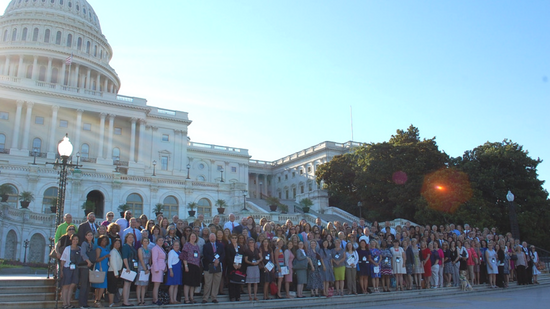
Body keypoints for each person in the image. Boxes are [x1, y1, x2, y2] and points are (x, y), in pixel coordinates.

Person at [60, 234, 81, 309]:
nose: (75, 241)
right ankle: (64, 303)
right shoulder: (67, 248)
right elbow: (63, 260)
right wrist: (61, 271)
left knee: (72, 286)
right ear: (71, 240)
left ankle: (68, 303)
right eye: (74, 239)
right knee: (66, 285)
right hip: (67, 268)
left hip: (75, 269)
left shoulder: (79, 249)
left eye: (76, 239)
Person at [202, 233, 224, 304]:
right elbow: (205, 255)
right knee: (208, 283)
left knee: (216, 282)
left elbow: (223, 254)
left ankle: (214, 297)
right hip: (209, 266)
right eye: (211, 237)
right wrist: (213, 260)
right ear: (209, 238)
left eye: (213, 237)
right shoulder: (206, 246)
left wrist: (218, 260)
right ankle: (205, 298)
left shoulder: (220, 245)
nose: (212, 238)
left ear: (215, 237)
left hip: (218, 266)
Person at [181, 232, 201, 304]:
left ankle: (191, 297)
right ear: (189, 237)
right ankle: (186, 298)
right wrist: (186, 266)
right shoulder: (187, 245)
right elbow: (184, 256)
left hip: (196, 266)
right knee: (187, 283)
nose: (193, 238)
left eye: (194, 236)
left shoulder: (197, 246)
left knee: (193, 283)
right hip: (189, 265)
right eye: (192, 236)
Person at [92, 235, 110, 307]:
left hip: (105, 267)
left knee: (101, 285)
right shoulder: (98, 249)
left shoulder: (106, 248)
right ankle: (98, 300)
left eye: (105, 240)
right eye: (103, 240)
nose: (104, 242)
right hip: (100, 267)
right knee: (100, 285)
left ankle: (97, 300)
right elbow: (97, 259)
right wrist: (105, 256)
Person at [78, 231, 94, 308]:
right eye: (88, 235)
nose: (90, 236)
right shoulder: (84, 244)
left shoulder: (92, 244)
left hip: (90, 266)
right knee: (84, 285)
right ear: (85, 236)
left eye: (91, 235)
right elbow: (83, 253)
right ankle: (81, 303)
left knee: (88, 285)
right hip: (84, 266)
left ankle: (85, 302)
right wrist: (88, 261)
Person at [121, 233, 137, 306]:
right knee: (126, 284)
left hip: (133, 267)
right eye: (129, 237)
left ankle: (127, 300)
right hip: (128, 267)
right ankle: (125, 301)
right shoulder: (125, 246)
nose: (131, 239)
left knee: (129, 284)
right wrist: (127, 267)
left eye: (132, 237)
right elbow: (125, 258)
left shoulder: (132, 247)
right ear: (126, 238)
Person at [226, 233, 243, 301]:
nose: (234, 239)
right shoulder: (228, 246)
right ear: (231, 239)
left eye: (235, 238)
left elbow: (242, 255)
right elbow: (228, 256)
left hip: (239, 266)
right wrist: (233, 264)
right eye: (233, 238)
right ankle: (232, 296)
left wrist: (240, 264)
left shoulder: (240, 246)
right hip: (231, 266)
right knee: (232, 282)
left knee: (238, 281)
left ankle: (238, 296)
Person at [107, 238, 122, 308]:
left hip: (116, 272)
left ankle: (112, 302)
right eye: (116, 243)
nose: (117, 244)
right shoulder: (113, 252)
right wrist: (116, 273)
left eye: (118, 243)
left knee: (114, 288)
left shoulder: (117, 251)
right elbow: (113, 263)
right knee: (111, 288)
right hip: (112, 272)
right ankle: (111, 303)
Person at [135, 238, 151, 305]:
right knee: (139, 285)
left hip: (147, 268)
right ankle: (138, 300)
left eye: (146, 241)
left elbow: (150, 260)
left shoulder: (149, 250)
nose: (145, 242)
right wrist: (145, 269)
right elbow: (141, 259)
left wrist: (148, 269)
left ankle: (143, 299)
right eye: (144, 241)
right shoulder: (140, 249)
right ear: (142, 242)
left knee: (144, 285)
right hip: (141, 268)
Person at [151, 237, 166, 305]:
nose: (161, 242)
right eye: (159, 240)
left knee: (158, 284)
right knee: (156, 285)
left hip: (161, 268)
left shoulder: (161, 248)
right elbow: (154, 259)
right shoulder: (155, 249)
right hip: (157, 268)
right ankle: (155, 299)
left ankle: (156, 298)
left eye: (162, 240)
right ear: (156, 241)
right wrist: (156, 269)